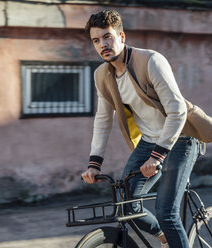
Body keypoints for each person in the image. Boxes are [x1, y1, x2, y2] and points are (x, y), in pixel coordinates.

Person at [81, 9, 200, 248]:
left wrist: (158, 156)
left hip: (181, 139)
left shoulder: (150, 61)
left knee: (166, 212)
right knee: (127, 204)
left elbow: (178, 111)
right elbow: (103, 119)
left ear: (121, 37)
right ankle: (165, 237)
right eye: (96, 40)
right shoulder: (102, 75)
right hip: (148, 142)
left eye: (107, 37)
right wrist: (94, 163)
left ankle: (169, 230)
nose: (102, 44)